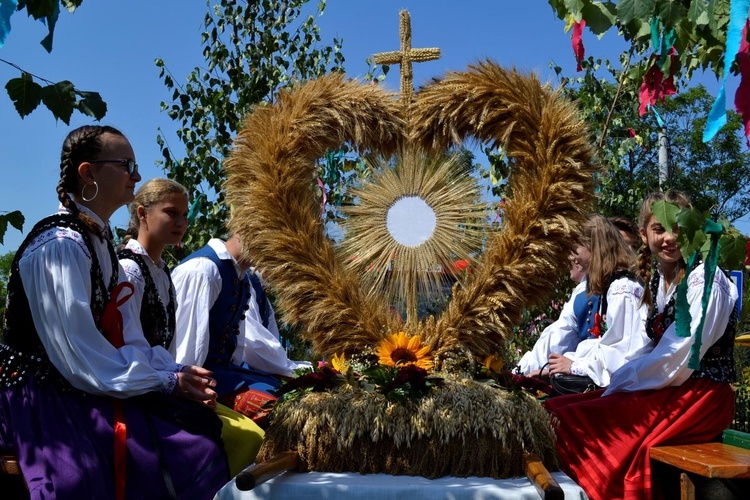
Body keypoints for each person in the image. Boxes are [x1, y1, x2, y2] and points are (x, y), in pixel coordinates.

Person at [0, 126, 229, 499]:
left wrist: (171, 371)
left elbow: (121, 339)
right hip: (41, 394)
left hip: (85, 382)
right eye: (125, 165)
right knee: (162, 453)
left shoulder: (97, 241)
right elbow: (79, 355)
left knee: (198, 425)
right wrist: (165, 381)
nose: (136, 176)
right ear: (88, 172)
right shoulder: (59, 244)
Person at [543, 190, 738, 500]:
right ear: (644, 236)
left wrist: (618, 384)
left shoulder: (707, 280)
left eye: (677, 226)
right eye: (659, 229)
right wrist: (612, 383)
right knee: (554, 409)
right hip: (667, 388)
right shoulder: (658, 283)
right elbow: (644, 351)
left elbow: (677, 357)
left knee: (576, 421)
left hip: (700, 395)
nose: (670, 237)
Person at [117, 178, 265, 476]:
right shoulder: (130, 270)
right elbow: (124, 347)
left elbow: (165, 349)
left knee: (252, 435)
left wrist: (181, 372)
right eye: (171, 213)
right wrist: (174, 380)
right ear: (142, 213)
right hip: (136, 390)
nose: (182, 222)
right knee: (240, 438)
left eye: (185, 215)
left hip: (161, 382)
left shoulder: (159, 271)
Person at [171, 233, 310, 420]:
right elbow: (184, 352)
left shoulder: (242, 277)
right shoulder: (203, 270)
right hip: (199, 380)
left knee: (302, 397)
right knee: (282, 412)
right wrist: (190, 395)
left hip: (226, 374)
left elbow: (238, 348)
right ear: (244, 227)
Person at [545, 214, 651, 389]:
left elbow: (624, 355)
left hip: (631, 392)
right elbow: (605, 345)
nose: (571, 257)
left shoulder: (623, 289)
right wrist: (571, 359)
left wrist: (574, 366)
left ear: (594, 248)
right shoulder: (611, 287)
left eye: (575, 248)